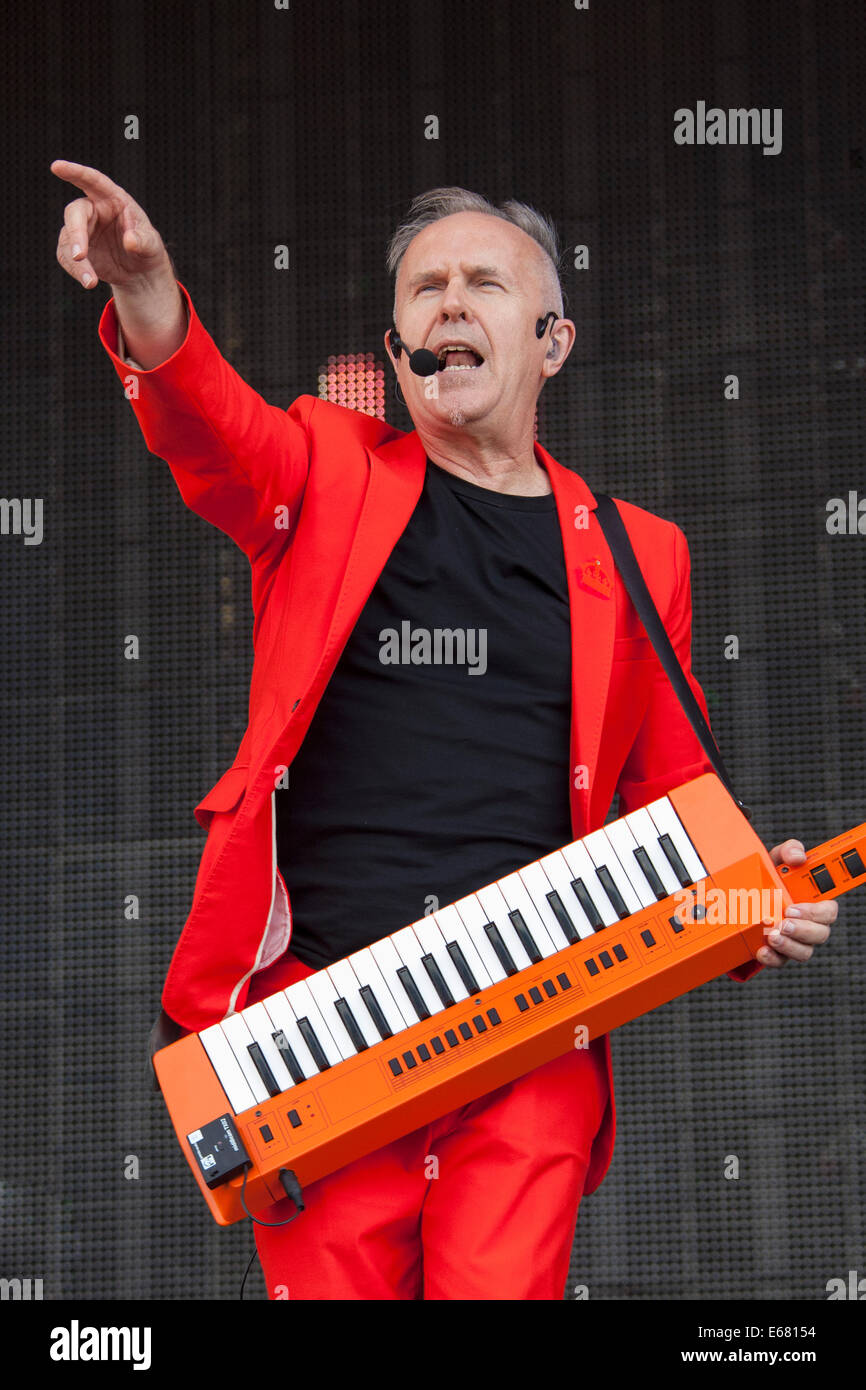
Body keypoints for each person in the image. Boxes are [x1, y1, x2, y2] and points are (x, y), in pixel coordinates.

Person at [52, 162, 836, 1300]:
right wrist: (147, 292)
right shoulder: (325, 465)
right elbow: (211, 427)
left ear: (552, 341)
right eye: (425, 289)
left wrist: (748, 898)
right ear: (395, 339)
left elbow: (678, 803)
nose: (449, 304)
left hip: (532, 1032)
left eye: (482, 283)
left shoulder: (636, 552)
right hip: (319, 1027)